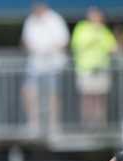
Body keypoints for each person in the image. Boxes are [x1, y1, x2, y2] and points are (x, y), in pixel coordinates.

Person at [21, 2, 70, 133]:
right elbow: (26, 41)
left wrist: (47, 49)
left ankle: (54, 124)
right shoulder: (30, 20)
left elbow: (63, 41)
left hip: (53, 64)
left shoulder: (55, 19)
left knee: (53, 94)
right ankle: (33, 123)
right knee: (29, 91)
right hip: (35, 65)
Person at [71, 7, 118, 127]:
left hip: (101, 69)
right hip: (86, 70)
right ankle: (87, 124)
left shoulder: (104, 31)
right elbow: (77, 45)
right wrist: (94, 38)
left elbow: (113, 48)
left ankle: (101, 124)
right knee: (87, 98)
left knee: (100, 98)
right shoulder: (81, 28)